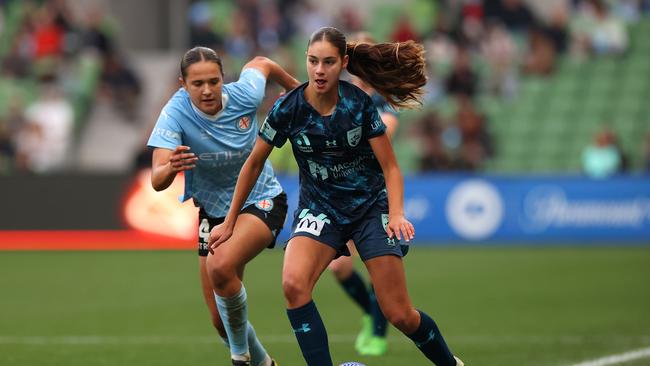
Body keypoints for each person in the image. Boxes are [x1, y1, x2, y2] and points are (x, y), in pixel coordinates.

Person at [209, 27, 464, 366]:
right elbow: (253, 163)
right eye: (313, 61)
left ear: (343, 63)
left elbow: (390, 167)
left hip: (369, 209)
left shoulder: (358, 105)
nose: (319, 70)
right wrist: (229, 223)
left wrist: (398, 214)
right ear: (306, 61)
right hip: (320, 210)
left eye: (328, 62)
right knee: (293, 285)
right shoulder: (288, 108)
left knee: (399, 314)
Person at [147, 46, 299, 366]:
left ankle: (239, 358)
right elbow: (157, 179)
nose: (207, 90)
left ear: (223, 79)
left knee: (220, 266)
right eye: (197, 84)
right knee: (220, 321)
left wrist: (297, 90)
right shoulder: (174, 113)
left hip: (261, 200)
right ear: (183, 84)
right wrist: (171, 166)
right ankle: (263, 363)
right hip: (213, 212)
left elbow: (261, 64)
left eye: (213, 82)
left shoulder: (245, 95)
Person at [326, 32, 398, 357]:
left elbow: (385, 132)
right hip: (340, 192)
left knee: (376, 266)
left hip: (373, 193)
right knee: (339, 267)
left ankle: (378, 332)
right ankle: (371, 312)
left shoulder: (382, 98)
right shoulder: (338, 96)